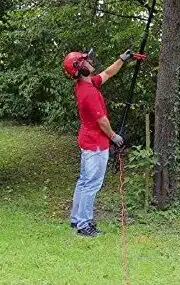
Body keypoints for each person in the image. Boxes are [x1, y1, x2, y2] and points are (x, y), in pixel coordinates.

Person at [62, 49, 134, 237]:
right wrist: (114, 137)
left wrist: (121, 59)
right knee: (91, 184)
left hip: (88, 141)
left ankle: (76, 218)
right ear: (80, 69)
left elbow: (107, 73)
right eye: (85, 60)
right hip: (95, 145)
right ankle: (84, 225)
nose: (90, 60)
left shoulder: (86, 85)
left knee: (84, 181)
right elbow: (102, 121)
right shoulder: (88, 93)